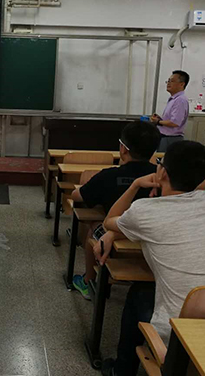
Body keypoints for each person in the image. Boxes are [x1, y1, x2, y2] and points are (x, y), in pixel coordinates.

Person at [95, 141, 205, 376]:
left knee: (139, 294)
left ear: (162, 172)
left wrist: (135, 185)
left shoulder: (144, 211)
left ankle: (121, 371)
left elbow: (109, 221)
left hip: (181, 336)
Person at [70, 121, 161, 300]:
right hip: (150, 236)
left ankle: (88, 281)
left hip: (115, 234)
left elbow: (77, 196)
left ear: (123, 149)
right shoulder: (160, 178)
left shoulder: (108, 176)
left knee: (93, 226)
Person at [151, 70, 190, 152]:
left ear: (182, 84)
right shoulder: (174, 99)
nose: (168, 83)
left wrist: (158, 122)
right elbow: (171, 119)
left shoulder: (180, 100)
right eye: (168, 81)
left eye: (172, 81)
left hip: (171, 139)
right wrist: (160, 119)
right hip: (166, 138)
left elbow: (174, 122)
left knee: (165, 159)